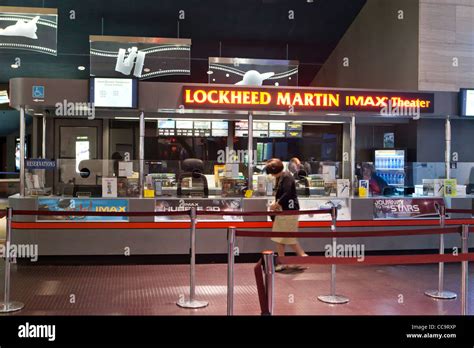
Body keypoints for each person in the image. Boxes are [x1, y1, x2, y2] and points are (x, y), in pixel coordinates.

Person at [266, 158, 308, 272]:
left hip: (288, 213)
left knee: (287, 238)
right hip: (284, 212)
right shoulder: (283, 177)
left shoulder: (286, 177)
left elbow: (287, 193)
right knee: (281, 238)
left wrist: (277, 204)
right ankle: (284, 261)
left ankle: (302, 257)